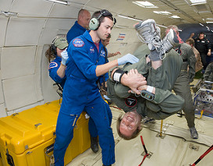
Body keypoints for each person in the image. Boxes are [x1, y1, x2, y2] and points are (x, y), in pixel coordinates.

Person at [53, 9, 141, 166]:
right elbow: (89, 71)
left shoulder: (101, 48)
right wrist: (119, 61)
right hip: (73, 97)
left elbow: (102, 72)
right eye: (107, 27)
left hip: (92, 95)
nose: (109, 32)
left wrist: (108, 87)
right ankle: (58, 162)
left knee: (106, 132)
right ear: (94, 24)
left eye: (111, 28)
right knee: (64, 136)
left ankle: (108, 162)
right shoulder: (77, 43)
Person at [107, 19, 185, 140]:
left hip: (144, 52)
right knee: (153, 105)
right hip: (171, 61)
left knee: (121, 90)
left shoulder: (119, 101)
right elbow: (178, 103)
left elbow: (109, 73)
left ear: (121, 119)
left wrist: (125, 79)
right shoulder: (154, 114)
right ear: (139, 127)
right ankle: (157, 52)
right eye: (130, 126)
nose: (128, 121)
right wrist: (147, 89)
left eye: (123, 123)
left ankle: (154, 54)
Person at [166, 26, 198, 139]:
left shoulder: (186, 48)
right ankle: (149, 116)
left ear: (177, 34)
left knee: (188, 106)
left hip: (181, 77)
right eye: (166, 35)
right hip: (166, 76)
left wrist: (190, 76)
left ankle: (191, 126)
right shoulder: (164, 47)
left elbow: (192, 61)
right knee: (152, 97)